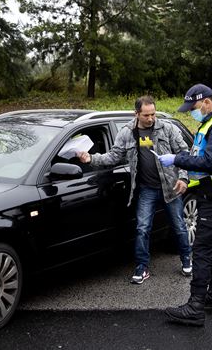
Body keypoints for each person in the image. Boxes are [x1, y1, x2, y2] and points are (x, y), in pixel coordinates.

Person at [77, 95, 192, 284]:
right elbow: (114, 156)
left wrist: (183, 178)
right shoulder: (127, 133)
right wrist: (91, 159)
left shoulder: (167, 128)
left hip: (170, 188)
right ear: (136, 113)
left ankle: (186, 260)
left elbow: (183, 153)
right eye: (146, 115)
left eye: (153, 114)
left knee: (179, 226)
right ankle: (142, 267)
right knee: (142, 228)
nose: (151, 118)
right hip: (146, 189)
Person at [157, 83, 212, 327]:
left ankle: (195, 306)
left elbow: (209, 161)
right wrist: (187, 183)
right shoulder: (210, 123)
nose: (192, 112)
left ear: (206, 101)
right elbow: (203, 165)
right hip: (210, 193)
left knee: (202, 249)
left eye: (193, 107)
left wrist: (176, 159)